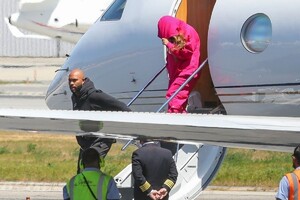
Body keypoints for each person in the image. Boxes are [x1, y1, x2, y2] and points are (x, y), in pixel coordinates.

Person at [68, 68, 131, 174]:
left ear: (83, 81)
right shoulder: (75, 97)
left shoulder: (95, 96)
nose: (71, 83)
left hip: (100, 140)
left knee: (88, 170)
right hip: (86, 142)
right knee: (80, 172)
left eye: (75, 80)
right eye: (70, 81)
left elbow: (122, 107)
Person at [157, 15, 201, 113]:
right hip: (179, 71)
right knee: (176, 98)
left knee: (174, 95)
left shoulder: (188, 32)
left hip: (188, 70)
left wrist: (169, 44)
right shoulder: (179, 33)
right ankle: (178, 117)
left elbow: (186, 53)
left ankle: (174, 118)